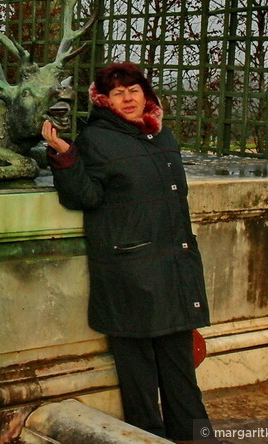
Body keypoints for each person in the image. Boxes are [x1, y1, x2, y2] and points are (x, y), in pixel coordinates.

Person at [42, 61, 213, 443]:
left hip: (172, 268)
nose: (128, 98)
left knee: (182, 376)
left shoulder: (160, 134)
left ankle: (199, 438)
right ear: (105, 100)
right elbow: (83, 196)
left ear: (145, 93)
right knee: (138, 381)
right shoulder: (98, 139)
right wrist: (64, 156)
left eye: (133, 90)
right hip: (129, 272)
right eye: (117, 93)